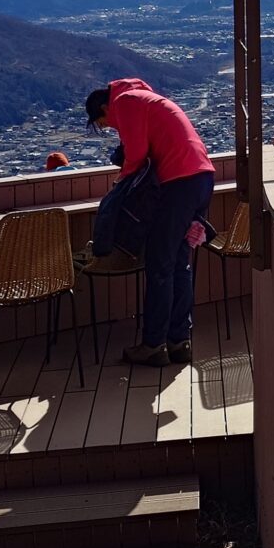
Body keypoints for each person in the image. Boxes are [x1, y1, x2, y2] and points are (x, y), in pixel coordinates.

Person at [83, 79, 216, 365]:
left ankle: (154, 345)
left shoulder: (125, 101)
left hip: (178, 182)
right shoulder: (146, 99)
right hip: (202, 177)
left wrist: (120, 183)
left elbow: (137, 153)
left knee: (160, 267)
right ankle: (179, 341)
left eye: (104, 123)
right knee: (179, 263)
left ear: (104, 107)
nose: (110, 127)